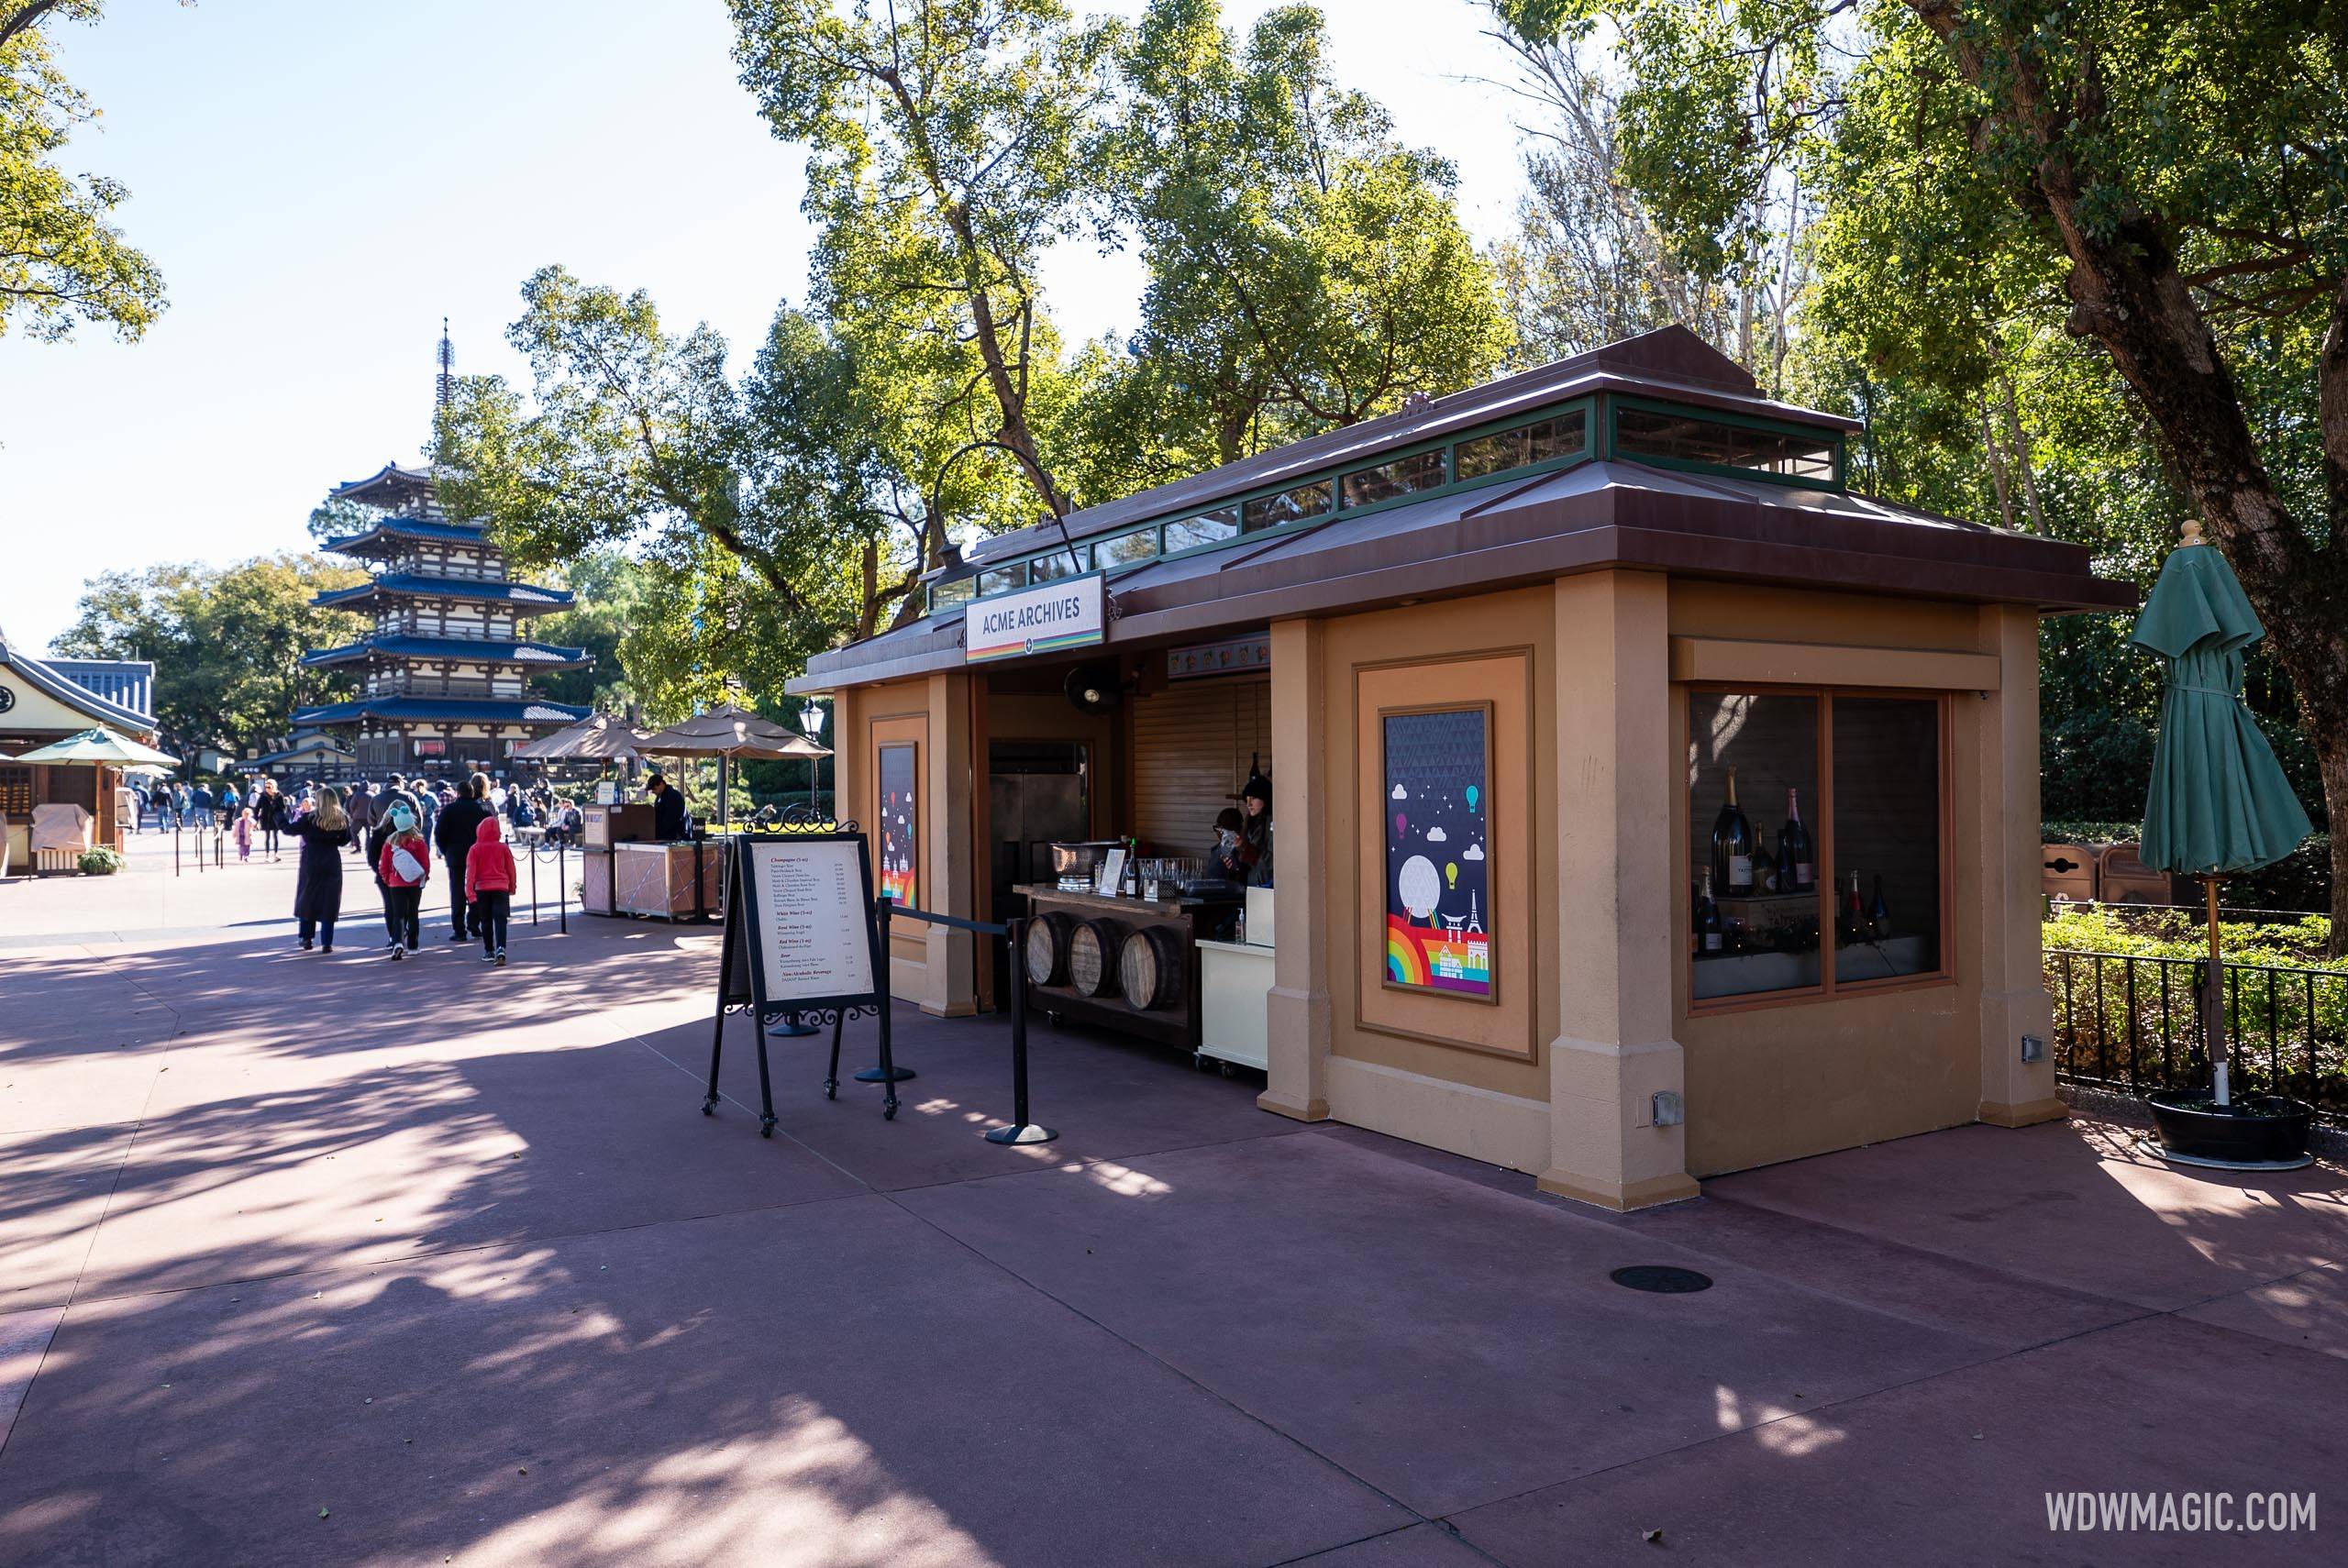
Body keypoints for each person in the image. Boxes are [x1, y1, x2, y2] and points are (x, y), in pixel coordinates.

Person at [290, 787, 351, 952]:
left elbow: (292, 829)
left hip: (311, 859)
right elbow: (346, 840)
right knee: (329, 900)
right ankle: (326, 942)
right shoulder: (342, 817)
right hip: (331, 859)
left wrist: (278, 815)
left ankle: (306, 937)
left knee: (308, 896)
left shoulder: (310, 818)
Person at [434, 773, 493, 943]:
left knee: (457, 892)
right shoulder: (482, 811)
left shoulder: (449, 810)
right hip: (477, 855)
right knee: (477, 890)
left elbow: (439, 834)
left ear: (458, 794)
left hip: (455, 855)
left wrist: (447, 851)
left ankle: (459, 930)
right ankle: (474, 924)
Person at [366, 783, 418, 950]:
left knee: (390, 906)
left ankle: (393, 937)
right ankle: (407, 934)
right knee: (410, 907)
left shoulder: (379, 832)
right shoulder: (412, 833)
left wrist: (381, 872)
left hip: (387, 874)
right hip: (411, 874)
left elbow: (372, 856)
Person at [376, 802, 431, 959]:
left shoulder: (390, 842)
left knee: (398, 915)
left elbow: (384, 864)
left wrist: (387, 878)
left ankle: (398, 942)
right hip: (414, 883)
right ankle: (413, 946)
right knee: (413, 913)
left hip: (395, 883)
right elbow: (425, 863)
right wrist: (424, 877)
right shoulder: (419, 841)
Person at [466, 813, 517, 966]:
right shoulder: (503, 847)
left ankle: (489, 950)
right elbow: (511, 869)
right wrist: (512, 887)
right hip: (501, 887)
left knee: (486, 920)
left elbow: (470, 873)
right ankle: (501, 947)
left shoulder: (474, 849)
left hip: (482, 888)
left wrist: (470, 893)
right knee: (500, 919)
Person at [647, 771, 689, 840]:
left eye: (654, 788)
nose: (653, 791)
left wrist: (657, 831)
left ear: (661, 784)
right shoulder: (660, 797)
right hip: (664, 835)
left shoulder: (673, 796)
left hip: (673, 836)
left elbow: (670, 819)